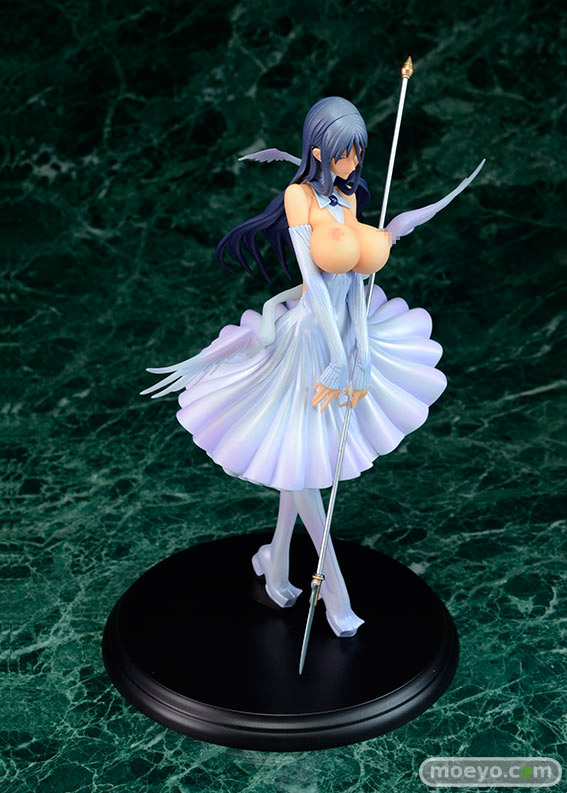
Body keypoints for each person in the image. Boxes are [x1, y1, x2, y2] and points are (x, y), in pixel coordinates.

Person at [142, 97, 483, 638]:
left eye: (359, 154)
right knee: (301, 467)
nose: (354, 164)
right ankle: (336, 597)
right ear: (320, 150)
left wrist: (360, 354)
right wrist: (336, 358)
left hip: (346, 333)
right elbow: (316, 288)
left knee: (299, 462)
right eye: (347, 154)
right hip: (309, 340)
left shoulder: (346, 196)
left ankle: (274, 561)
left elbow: (355, 285)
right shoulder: (298, 196)